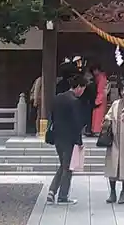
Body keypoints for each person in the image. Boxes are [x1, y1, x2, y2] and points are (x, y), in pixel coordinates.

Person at [46, 75, 87, 205]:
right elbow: (77, 124)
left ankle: (52, 191)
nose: (82, 92)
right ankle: (62, 196)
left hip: (58, 136)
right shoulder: (74, 101)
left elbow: (51, 116)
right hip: (69, 138)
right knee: (68, 167)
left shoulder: (58, 98)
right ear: (79, 87)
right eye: (83, 89)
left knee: (64, 165)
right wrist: (79, 142)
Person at [90, 63, 108, 136]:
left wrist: (97, 101)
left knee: (98, 115)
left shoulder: (101, 77)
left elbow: (100, 90)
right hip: (100, 97)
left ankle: (97, 130)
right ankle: (96, 130)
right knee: (98, 115)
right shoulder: (100, 77)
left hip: (100, 98)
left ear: (97, 70)